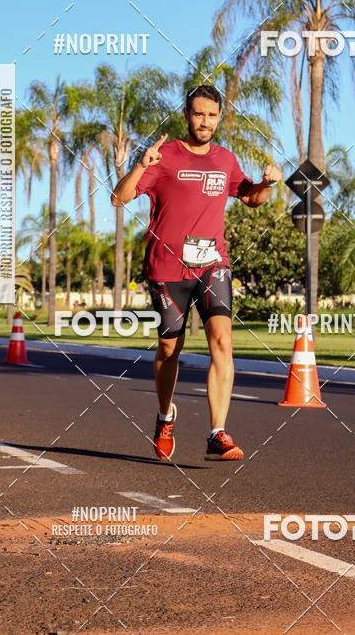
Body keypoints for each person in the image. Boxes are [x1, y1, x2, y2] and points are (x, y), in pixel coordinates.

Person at [112, 85, 282, 461]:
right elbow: (118, 198)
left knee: (222, 341)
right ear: (187, 115)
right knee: (169, 348)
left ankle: (216, 433)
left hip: (212, 264)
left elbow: (250, 198)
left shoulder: (225, 159)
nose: (204, 122)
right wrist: (141, 164)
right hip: (167, 267)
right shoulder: (165, 156)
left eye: (211, 115)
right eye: (198, 114)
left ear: (219, 117)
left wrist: (267, 185)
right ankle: (164, 415)